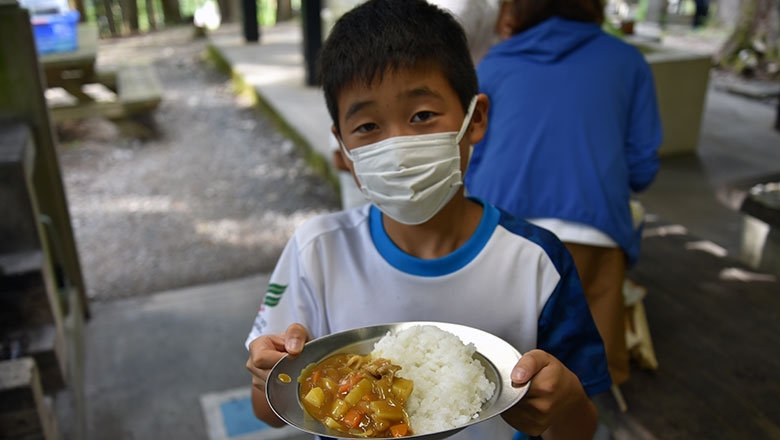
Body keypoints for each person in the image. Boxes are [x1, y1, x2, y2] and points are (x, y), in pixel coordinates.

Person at [245, 1, 611, 438]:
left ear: (474, 120)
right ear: (342, 148)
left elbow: (581, 428)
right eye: (367, 127)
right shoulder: (316, 251)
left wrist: (565, 399)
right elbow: (269, 409)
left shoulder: (536, 261)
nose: (397, 147)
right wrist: (266, 374)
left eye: (422, 116)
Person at [465, 0, 662, 388]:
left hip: (500, 228)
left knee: (494, 367)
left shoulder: (493, 64)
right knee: (585, 378)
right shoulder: (628, 60)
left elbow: (473, 156)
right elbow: (642, 168)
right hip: (595, 230)